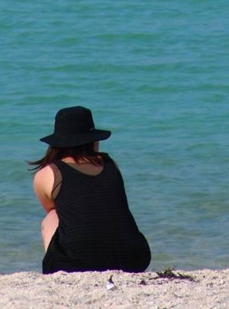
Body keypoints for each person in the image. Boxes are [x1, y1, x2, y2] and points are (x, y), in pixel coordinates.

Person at [30, 105, 151, 274]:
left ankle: (56, 272)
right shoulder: (111, 165)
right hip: (132, 258)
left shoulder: (48, 174)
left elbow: (60, 213)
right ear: (93, 139)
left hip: (76, 264)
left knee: (52, 216)